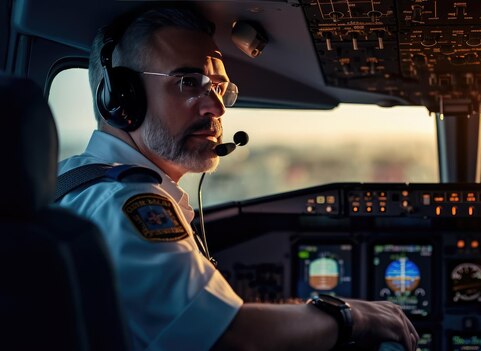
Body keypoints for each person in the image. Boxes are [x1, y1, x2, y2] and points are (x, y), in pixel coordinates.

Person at [57, 5, 418, 351]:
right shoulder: (126, 204)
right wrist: (351, 317)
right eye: (188, 82)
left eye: (218, 87)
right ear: (121, 97)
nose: (216, 107)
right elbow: (228, 340)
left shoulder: (74, 183)